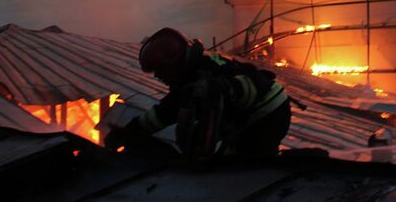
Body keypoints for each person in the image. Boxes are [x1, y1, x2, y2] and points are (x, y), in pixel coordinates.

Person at [105, 27, 291, 157]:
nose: (159, 78)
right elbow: (164, 113)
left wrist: (125, 135)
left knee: (238, 168)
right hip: (270, 107)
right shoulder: (197, 69)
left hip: (266, 115)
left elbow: (165, 112)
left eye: (161, 72)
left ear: (174, 66)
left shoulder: (200, 76)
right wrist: (129, 133)